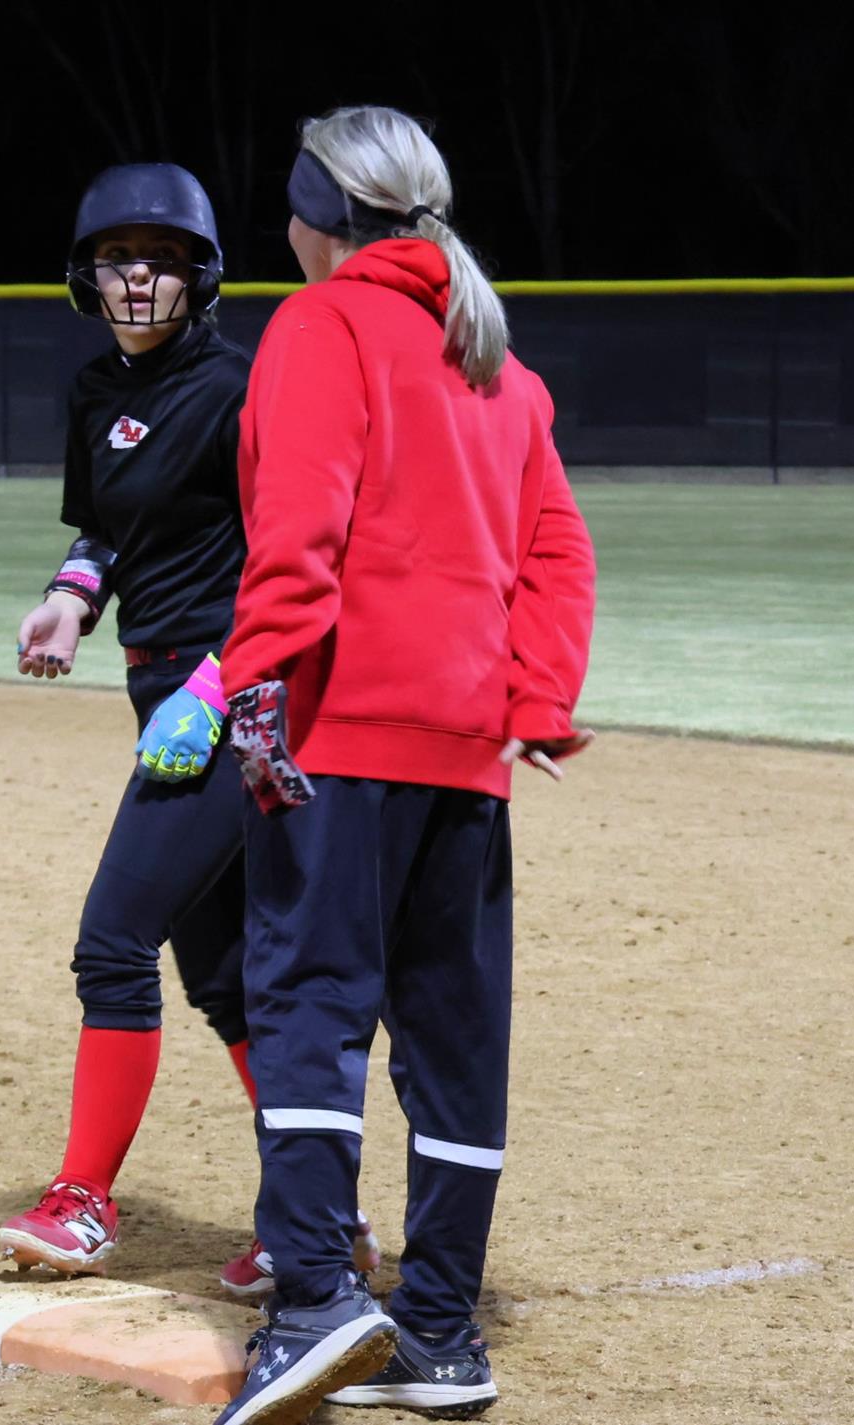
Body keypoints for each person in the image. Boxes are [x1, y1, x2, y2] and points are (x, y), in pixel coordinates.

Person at [210, 106, 596, 1425]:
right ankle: (439, 1332)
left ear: (314, 215)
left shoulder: (317, 329)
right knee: (453, 1035)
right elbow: (558, 555)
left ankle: (316, 1300)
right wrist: (535, 700)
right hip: (468, 755)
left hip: (341, 730)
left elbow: (300, 529)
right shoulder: (503, 367)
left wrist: (251, 691)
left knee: (309, 1001)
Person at [0, 163, 379, 1292]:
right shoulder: (93, 393)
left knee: (112, 944)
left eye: (161, 258)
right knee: (225, 982)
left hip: (233, 696)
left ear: (199, 274)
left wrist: (213, 684)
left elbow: (293, 557)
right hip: (155, 686)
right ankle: (321, 1219)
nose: (138, 278)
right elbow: (104, 533)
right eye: (119, 258)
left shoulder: (240, 390)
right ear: (88, 274)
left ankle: (82, 1202)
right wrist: (70, 598)